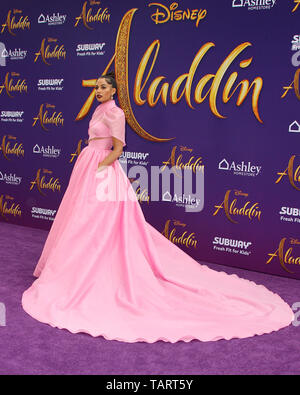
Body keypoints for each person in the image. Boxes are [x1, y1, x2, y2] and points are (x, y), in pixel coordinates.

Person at [22, 71, 294, 343]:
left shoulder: (115, 114)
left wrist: (100, 167)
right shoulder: (98, 110)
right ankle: (71, 271)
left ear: (114, 91)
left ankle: (93, 275)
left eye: (104, 88)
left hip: (102, 170)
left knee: (97, 224)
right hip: (88, 166)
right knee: (79, 220)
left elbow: (118, 149)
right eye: (97, 87)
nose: (99, 91)